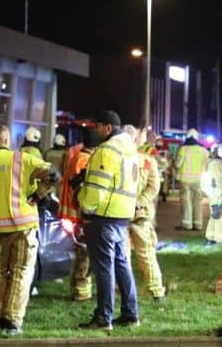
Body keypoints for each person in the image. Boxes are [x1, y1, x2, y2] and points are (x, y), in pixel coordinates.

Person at [0, 125, 56, 335]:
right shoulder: (20, 159)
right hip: (22, 225)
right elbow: (53, 173)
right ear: (7, 140)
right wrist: (38, 195)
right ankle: (12, 321)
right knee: (21, 271)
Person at [78, 110, 140, 331]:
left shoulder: (106, 150)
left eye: (98, 126)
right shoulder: (131, 149)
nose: (95, 131)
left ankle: (104, 318)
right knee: (122, 264)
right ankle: (131, 314)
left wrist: (85, 203)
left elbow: (97, 188)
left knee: (104, 267)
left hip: (103, 215)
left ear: (108, 128)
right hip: (123, 214)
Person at [58, 129, 101, 301]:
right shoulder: (85, 160)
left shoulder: (76, 157)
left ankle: (80, 289)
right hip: (80, 214)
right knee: (85, 253)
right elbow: (83, 190)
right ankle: (81, 291)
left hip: (74, 213)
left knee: (83, 252)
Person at [125, 125, 166, 300]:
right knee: (147, 254)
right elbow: (154, 187)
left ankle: (123, 289)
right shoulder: (147, 160)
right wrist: (139, 203)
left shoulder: (116, 158)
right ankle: (156, 291)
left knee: (122, 257)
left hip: (118, 215)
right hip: (139, 215)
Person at [174, 128, 209, 231]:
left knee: (186, 202)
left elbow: (178, 164)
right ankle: (198, 224)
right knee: (198, 202)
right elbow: (207, 165)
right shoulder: (204, 150)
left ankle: (187, 224)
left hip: (185, 181)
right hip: (198, 181)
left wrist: (174, 164)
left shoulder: (183, 149)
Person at [201, 143, 222, 246]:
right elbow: (215, 180)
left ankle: (211, 238)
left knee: (215, 216)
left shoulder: (220, 163)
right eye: (221, 150)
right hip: (217, 195)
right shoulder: (215, 164)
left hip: (219, 194)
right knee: (219, 216)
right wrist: (219, 193)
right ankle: (218, 239)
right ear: (215, 152)